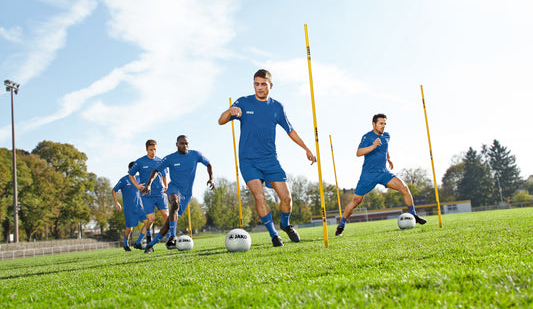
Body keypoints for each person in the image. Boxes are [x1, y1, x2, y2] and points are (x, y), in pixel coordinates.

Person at [218, 69, 316, 247]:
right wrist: (229, 110)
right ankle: (273, 234)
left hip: (270, 160)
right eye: (256, 84)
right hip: (248, 161)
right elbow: (221, 120)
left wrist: (306, 148)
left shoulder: (277, 107)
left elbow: (290, 130)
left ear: (270, 85)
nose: (260, 87)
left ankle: (285, 224)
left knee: (286, 199)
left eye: (263, 84)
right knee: (259, 196)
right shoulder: (243, 102)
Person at [335, 113, 427, 236]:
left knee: (404, 188)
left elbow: (385, 147)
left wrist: (389, 159)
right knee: (356, 201)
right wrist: (373, 146)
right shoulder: (367, 137)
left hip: (384, 172)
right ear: (374, 124)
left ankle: (414, 215)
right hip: (368, 175)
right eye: (380, 123)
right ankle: (342, 224)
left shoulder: (386, 136)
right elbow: (358, 152)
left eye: (384, 124)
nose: (383, 126)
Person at [142, 135, 214, 253]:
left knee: (168, 223)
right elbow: (156, 170)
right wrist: (148, 184)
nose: (184, 146)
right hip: (173, 188)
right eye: (182, 143)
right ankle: (172, 236)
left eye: (186, 143)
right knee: (174, 203)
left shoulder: (195, 155)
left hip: (187, 193)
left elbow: (209, 164)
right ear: (177, 144)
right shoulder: (170, 158)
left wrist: (211, 178)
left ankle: (150, 245)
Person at [128, 139, 169, 244]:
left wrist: (165, 186)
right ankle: (147, 239)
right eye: (151, 150)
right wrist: (137, 186)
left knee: (166, 215)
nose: (153, 152)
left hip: (160, 193)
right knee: (150, 220)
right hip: (147, 195)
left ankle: (169, 238)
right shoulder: (140, 161)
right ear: (146, 149)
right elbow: (130, 174)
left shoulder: (161, 161)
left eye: (155, 149)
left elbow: (164, 175)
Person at [112, 162, 150, 251]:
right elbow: (114, 190)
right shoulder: (123, 180)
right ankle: (125, 245)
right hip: (129, 209)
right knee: (129, 229)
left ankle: (138, 243)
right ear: (129, 169)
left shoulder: (139, 178)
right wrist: (116, 203)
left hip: (140, 207)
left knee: (148, 223)